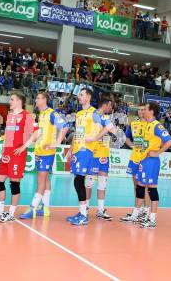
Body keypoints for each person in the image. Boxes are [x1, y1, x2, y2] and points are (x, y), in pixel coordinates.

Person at [120, 102, 171, 228]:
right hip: (143, 160)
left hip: (151, 161)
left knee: (152, 189)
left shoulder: (156, 126)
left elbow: (169, 141)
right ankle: (137, 214)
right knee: (140, 187)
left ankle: (152, 219)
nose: (143, 111)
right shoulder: (147, 125)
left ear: (151, 111)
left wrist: (157, 152)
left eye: (146, 109)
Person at [18, 92, 68, 219]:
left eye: (38, 98)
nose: (36, 100)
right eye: (36, 97)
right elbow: (38, 134)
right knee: (45, 180)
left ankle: (33, 208)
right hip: (39, 151)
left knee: (40, 180)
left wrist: (57, 143)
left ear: (45, 100)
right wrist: (26, 144)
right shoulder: (41, 115)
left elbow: (65, 126)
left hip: (47, 153)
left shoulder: (52, 113)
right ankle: (45, 208)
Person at [0, 93, 35, 222]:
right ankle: (0, 210)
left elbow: (36, 133)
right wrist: (3, 146)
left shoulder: (27, 116)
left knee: (14, 183)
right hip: (6, 153)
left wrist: (24, 147)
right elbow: (8, 133)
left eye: (12, 99)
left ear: (19, 101)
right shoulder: (10, 115)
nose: (10, 101)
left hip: (17, 154)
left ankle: (11, 213)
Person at [65, 88, 101, 226]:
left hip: (86, 149)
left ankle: (84, 215)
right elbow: (77, 134)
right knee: (78, 180)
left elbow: (105, 127)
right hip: (78, 149)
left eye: (81, 94)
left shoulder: (94, 112)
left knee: (78, 181)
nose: (79, 97)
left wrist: (94, 138)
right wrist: (70, 150)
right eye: (79, 94)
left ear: (88, 97)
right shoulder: (79, 114)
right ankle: (82, 212)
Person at [83, 97, 117, 221]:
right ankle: (84, 209)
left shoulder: (107, 119)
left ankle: (101, 210)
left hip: (104, 154)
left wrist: (112, 133)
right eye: (110, 105)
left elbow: (115, 133)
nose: (111, 108)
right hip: (93, 154)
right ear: (106, 104)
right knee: (89, 183)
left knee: (102, 183)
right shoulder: (93, 116)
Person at [121, 104, 149, 220]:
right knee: (136, 186)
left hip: (146, 159)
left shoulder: (150, 124)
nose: (141, 112)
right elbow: (126, 138)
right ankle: (138, 209)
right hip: (135, 157)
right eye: (139, 110)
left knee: (145, 186)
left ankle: (146, 211)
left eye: (143, 110)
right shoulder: (133, 124)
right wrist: (132, 145)